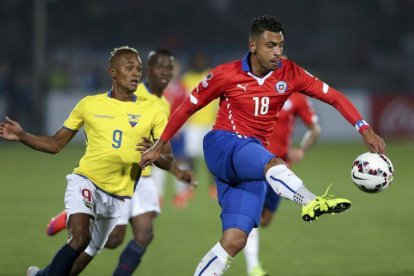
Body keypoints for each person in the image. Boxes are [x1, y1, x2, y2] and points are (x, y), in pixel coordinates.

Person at [139, 16, 386, 275]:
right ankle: (311, 200)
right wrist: (159, 145)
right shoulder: (225, 74)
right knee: (273, 161)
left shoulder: (291, 73)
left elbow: (334, 97)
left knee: (234, 240)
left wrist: (364, 129)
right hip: (223, 143)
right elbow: (186, 107)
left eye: (280, 45)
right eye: (270, 45)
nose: (277, 52)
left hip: (249, 161)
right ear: (252, 45)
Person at [0, 46, 172, 276]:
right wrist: (22, 136)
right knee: (80, 238)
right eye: (129, 68)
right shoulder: (89, 104)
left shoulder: (153, 110)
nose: (136, 74)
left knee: (80, 263)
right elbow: (55, 144)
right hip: (87, 181)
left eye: (139, 69)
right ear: (113, 72)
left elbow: (168, 159)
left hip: (118, 198)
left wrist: (154, 154)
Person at [244, 91, 321, 276]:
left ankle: (239, 235)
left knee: (265, 220)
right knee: (250, 217)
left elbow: (315, 129)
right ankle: (253, 268)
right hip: (254, 162)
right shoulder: (254, 89)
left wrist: (302, 149)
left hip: (280, 168)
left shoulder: (296, 97)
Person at [181, 52, 218, 199]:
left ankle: (213, 186)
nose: (200, 62)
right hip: (192, 124)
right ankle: (191, 185)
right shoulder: (186, 79)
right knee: (190, 157)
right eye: (197, 60)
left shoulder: (211, 75)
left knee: (211, 157)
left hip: (210, 123)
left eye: (202, 60)